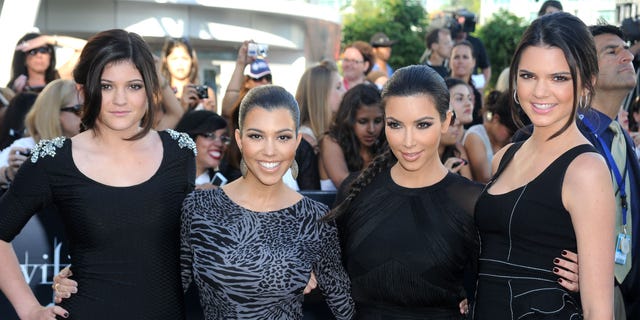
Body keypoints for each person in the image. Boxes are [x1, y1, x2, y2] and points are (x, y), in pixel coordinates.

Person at [0, 29, 196, 319]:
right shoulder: (54, 160)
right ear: (84, 90)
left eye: (133, 86)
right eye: (106, 86)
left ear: (151, 90)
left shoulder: (180, 153)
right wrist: (29, 309)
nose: (120, 100)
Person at [472, 12, 615, 318]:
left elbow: (598, 309)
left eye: (558, 78)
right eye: (528, 75)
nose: (539, 91)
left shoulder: (586, 169)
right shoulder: (504, 157)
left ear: (587, 84)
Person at [179, 85, 355, 319]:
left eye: (282, 137)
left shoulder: (315, 218)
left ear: (296, 141)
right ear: (240, 140)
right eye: (256, 136)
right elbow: (170, 293)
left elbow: (344, 307)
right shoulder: (200, 207)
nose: (270, 151)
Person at [579, 23, 640, 319]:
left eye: (626, 48)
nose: (627, 55)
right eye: (611, 51)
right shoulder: (569, 138)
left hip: (628, 293)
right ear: (586, 73)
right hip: (582, 297)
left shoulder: (622, 137)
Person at [0, 79, 82, 191]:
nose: (87, 115)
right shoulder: (27, 146)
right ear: (55, 113)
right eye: (79, 110)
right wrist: (9, 173)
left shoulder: (95, 143)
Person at [319, 83, 384, 190]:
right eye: (363, 121)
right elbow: (343, 183)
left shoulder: (383, 143)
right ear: (348, 120)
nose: (371, 129)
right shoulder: (331, 141)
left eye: (378, 121)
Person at [462, 90, 517, 183]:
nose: (512, 137)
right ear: (496, 119)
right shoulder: (475, 135)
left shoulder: (509, 141)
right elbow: (485, 179)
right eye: (510, 133)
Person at [8, 32, 86, 94]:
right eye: (32, 51)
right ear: (23, 58)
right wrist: (15, 93)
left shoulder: (58, 78)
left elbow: (85, 47)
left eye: (43, 50)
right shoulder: (14, 86)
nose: (39, 55)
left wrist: (46, 39)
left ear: (50, 56)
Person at [175, 110, 230, 190]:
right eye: (209, 135)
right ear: (190, 138)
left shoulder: (228, 188)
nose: (220, 144)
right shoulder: (163, 178)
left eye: (224, 138)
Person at [160, 37, 216, 112]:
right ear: (165, 61)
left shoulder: (206, 93)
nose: (180, 63)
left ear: (192, 61)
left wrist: (208, 113)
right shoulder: (159, 94)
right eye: (174, 58)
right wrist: (182, 108)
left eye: (184, 58)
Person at [450, 41, 483, 127]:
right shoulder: (440, 89)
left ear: (473, 62)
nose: (460, 61)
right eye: (456, 57)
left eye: (465, 57)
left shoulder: (477, 95)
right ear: (450, 61)